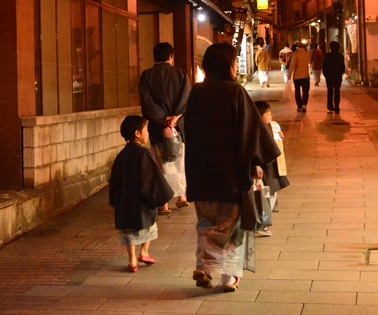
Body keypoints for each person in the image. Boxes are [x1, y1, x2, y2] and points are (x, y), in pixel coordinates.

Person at [184, 43, 281, 292]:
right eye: (234, 60)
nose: (237, 64)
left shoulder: (196, 92)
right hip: (229, 173)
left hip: (200, 171)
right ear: (225, 64)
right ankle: (225, 277)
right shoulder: (234, 92)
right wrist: (257, 162)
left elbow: (189, 131)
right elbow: (251, 132)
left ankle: (205, 267)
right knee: (230, 225)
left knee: (207, 222)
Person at [109, 115, 174, 273]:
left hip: (125, 201)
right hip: (140, 202)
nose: (148, 133)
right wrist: (160, 198)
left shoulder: (121, 155)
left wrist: (115, 199)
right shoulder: (143, 153)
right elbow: (150, 178)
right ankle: (144, 252)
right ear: (137, 133)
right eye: (146, 130)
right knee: (150, 225)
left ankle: (132, 261)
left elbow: (114, 180)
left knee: (128, 231)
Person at [139, 42, 191, 214]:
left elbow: (147, 102)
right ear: (171, 56)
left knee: (160, 163)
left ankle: (163, 204)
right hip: (178, 126)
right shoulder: (180, 74)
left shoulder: (147, 76)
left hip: (156, 127)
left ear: (155, 56)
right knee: (179, 160)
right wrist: (175, 117)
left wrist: (162, 119)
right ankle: (181, 197)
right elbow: (186, 98)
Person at [253, 101, 290, 237]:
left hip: (272, 167)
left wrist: (279, 138)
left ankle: (262, 222)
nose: (271, 117)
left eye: (270, 114)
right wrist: (256, 165)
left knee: (271, 193)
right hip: (264, 167)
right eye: (267, 114)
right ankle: (261, 223)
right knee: (266, 194)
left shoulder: (270, 127)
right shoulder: (255, 130)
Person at [322, 41, 346, 114]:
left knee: (330, 91)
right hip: (337, 77)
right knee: (337, 92)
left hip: (329, 76)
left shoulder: (327, 56)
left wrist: (325, 75)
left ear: (330, 47)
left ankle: (330, 106)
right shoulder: (340, 56)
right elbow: (343, 67)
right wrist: (340, 74)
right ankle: (337, 107)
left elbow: (324, 66)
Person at [287, 42, 311, 113]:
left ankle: (299, 106)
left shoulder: (296, 54)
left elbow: (292, 66)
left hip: (297, 76)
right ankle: (304, 104)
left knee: (297, 91)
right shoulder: (307, 54)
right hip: (306, 76)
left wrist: (289, 76)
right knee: (305, 91)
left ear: (298, 47)